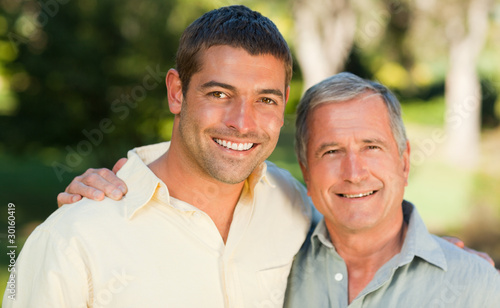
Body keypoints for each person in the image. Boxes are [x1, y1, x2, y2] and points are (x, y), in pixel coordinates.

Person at [3, 6, 313, 307]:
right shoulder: (72, 240)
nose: (242, 122)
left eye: (265, 99)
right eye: (219, 94)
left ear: (284, 102)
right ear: (177, 92)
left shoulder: (296, 207)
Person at [284, 72, 500, 307]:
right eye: (331, 152)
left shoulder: (476, 288)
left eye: (372, 147)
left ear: (404, 162)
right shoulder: (275, 269)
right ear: (306, 171)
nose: (354, 174)